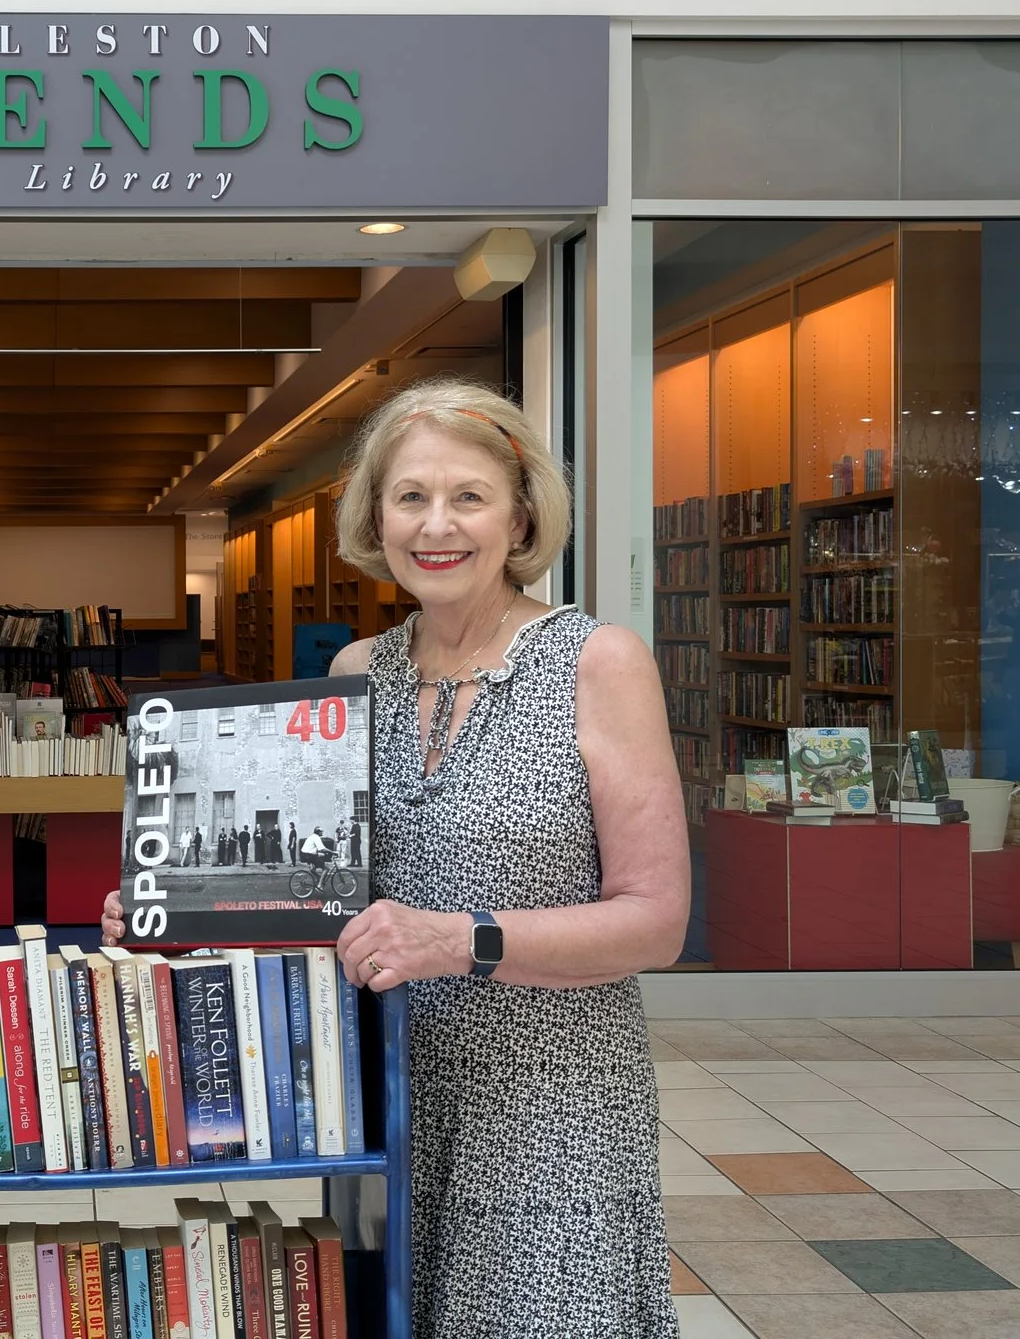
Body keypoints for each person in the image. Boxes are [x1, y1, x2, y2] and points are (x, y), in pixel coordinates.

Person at [103, 378, 688, 1338]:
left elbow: (656, 920)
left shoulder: (598, 661)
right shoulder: (352, 676)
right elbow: (313, 890)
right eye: (410, 496)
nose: (436, 524)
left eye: (469, 495)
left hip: (551, 1104)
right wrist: (180, 905)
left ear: (523, 512)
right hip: (377, 1095)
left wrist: (460, 940)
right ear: (376, 516)